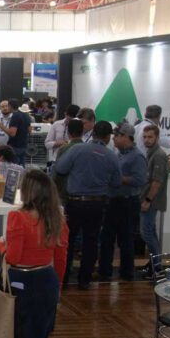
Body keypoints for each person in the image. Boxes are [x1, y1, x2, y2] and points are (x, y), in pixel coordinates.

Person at [0, 170, 69, 338]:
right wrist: (58, 287)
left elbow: (13, 257)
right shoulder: (58, 220)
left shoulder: (17, 217)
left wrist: (0, 245)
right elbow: (61, 258)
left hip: (20, 283)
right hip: (47, 282)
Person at [55, 120, 122, 288]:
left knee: (68, 240)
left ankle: (63, 278)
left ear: (92, 133)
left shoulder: (77, 149)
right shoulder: (112, 156)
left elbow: (60, 168)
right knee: (91, 242)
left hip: (75, 202)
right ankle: (84, 280)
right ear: (108, 137)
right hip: (97, 204)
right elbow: (116, 183)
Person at [98, 123, 147, 281]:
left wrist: (118, 179)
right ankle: (104, 271)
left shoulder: (137, 157)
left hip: (127, 202)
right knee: (107, 238)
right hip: (113, 201)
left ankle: (127, 273)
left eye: (117, 136)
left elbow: (140, 180)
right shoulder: (119, 154)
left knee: (125, 239)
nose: (113, 139)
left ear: (126, 137)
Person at [140, 123, 170, 265]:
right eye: (145, 137)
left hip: (152, 200)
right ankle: (155, 263)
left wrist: (147, 200)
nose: (147, 140)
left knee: (146, 233)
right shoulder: (150, 153)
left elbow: (156, 182)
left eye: (150, 137)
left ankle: (157, 265)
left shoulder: (159, 155)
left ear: (157, 138)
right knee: (150, 232)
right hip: (149, 198)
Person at [53, 118, 85, 201]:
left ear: (68, 132)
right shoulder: (87, 149)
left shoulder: (63, 149)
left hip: (66, 192)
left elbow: (57, 173)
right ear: (82, 132)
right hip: (84, 192)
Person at [0, 99, 31, 165]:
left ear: (10, 106)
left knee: (14, 168)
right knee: (21, 167)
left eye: (7, 106)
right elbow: (30, 131)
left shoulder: (15, 116)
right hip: (24, 146)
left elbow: (12, 133)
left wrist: (1, 126)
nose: (6, 108)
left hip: (15, 147)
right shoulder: (26, 115)